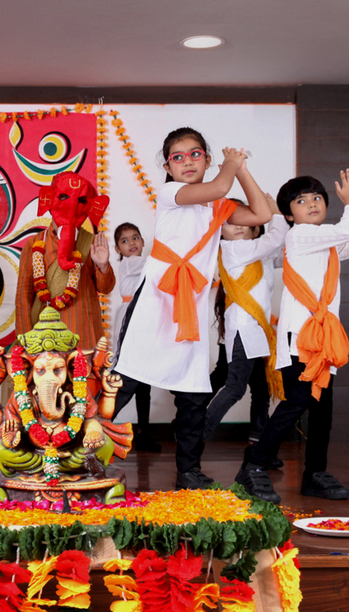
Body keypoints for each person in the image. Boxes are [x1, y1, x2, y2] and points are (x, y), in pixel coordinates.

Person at [112, 127, 271, 490]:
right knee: (126, 381)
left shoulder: (219, 205)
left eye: (195, 154)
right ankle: (74, 451)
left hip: (192, 307)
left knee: (194, 393)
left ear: (207, 159)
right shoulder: (171, 193)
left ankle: (188, 470)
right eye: (177, 156)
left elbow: (261, 214)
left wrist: (241, 168)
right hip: (156, 300)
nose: (187, 161)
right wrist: (228, 168)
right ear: (168, 166)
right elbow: (217, 186)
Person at [235, 171, 349, 504]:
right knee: (296, 402)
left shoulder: (326, 243)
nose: (311, 204)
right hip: (299, 338)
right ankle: (253, 466)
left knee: (322, 410)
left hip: (323, 340)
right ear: (289, 215)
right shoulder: (301, 236)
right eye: (301, 201)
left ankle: (314, 473)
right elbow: (347, 229)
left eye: (316, 198)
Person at [203, 194, 288, 446]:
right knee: (235, 388)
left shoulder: (259, 253)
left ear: (256, 225)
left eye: (244, 219)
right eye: (230, 221)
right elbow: (275, 239)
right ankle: (196, 437)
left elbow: (284, 250)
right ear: (220, 229)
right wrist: (277, 212)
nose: (238, 226)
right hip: (243, 329)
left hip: (258, 331)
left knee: (260, 391)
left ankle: (258, 445)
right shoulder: (234, 249)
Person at [15, 171, 115, 354]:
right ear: (49, 200)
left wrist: (103, 265)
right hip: (43, 333)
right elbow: (23, 295)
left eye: (81, 201)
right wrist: (25, 338)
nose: (71, 206)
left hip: (83, 331)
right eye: (63, 197)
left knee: (83, 382)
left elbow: (106, 288)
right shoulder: (34, 243)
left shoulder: (91, 242)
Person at [110, 222, 160, 453]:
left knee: (144, 380)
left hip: (144, 319)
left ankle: (143, 430)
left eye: (135, 238)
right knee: (127, 378)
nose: (131, 243)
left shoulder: (144, 264)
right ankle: (102, 422)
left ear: (142, 241)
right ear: (118, 250)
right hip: (131, 320)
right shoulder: (134, 263)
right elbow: (159, 266)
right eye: (124, 240)